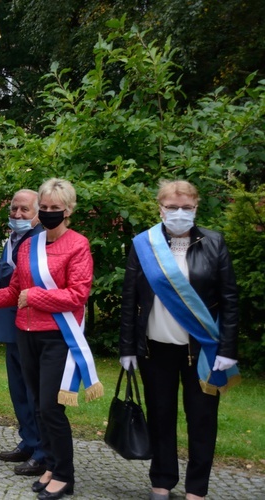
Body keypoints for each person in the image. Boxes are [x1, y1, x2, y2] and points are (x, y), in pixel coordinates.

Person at [0, 178, 100, 500]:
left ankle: (65, 475)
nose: (51, 212)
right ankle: (50, 466)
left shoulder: (78, 245)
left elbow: (77, 295)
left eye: (56, 208)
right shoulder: (27, 247)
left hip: (57, 337)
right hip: (25, 335)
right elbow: (13, 293)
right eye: (47, 207)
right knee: (38, 406)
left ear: (68, 211)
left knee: (51, 408)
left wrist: (35, 296)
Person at [119, 180, 239, 500]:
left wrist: (227, 349)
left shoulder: (214, 243)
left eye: (186, 207)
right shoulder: (144, 244)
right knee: (160, 417)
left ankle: (196, 490)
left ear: (197, 207)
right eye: (172, 207)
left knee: (202, 421)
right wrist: (127, 347)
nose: (179, 213)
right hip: (155, 350)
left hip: (203, 350)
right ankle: (161, 482)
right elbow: (129, 299)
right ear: (160, 207)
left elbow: (229, 300)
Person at [0, 189, 47, 476]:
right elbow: (5, 283)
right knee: (18, 392)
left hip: (32, 327)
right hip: (10, 326)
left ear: (38, 213)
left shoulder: (40, 241)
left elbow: (20, 280)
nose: (17, 215)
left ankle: (43, 451)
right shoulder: (11, 239)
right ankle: (28, 442)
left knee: (34, 394)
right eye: (14, 209)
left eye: (24, 210)